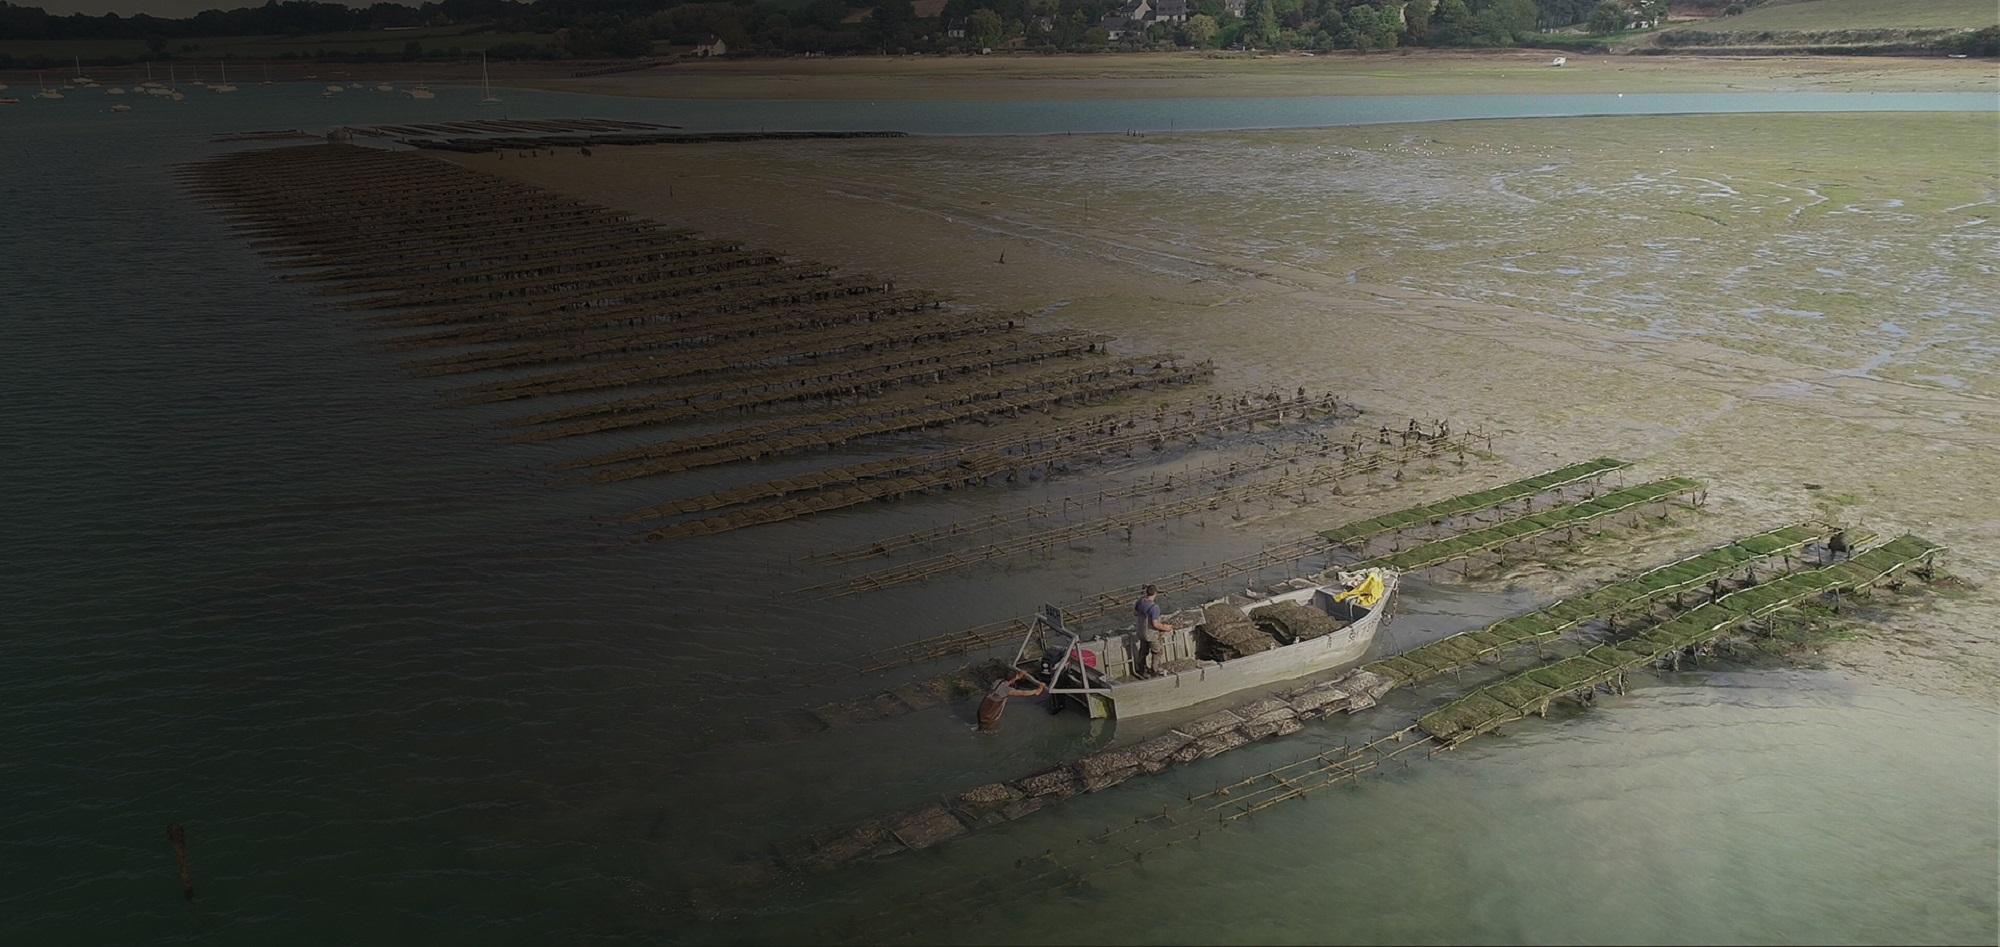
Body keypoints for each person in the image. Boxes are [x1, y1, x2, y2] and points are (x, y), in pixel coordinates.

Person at [975, 670, 1047, 732]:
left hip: (982, 709)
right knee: (989, 730)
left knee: (981, 727)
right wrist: (1038, 690)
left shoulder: (998, 681)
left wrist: (1017, 677)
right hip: (989, 715)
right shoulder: (1007, 690)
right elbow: (1023, 693)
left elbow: (1008, 682)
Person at [1133, 584, 1176, 678]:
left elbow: (1135, 613)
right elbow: (1155, 624)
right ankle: (1154, 670)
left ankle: (1141, 669)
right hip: (1151, 634)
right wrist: (1166, 627)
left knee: (1143, 651)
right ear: (1155, 594)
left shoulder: (1140, 601)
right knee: (1157, 651)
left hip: (1140, 631)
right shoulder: (1154, 607)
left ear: (1146, 592)